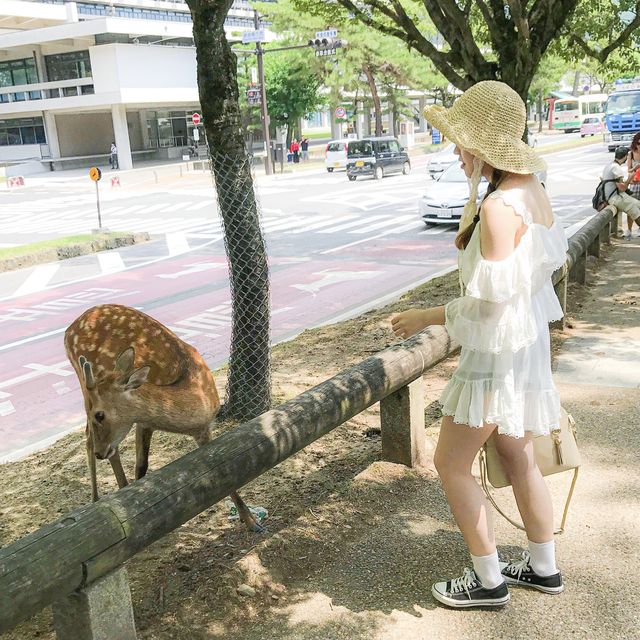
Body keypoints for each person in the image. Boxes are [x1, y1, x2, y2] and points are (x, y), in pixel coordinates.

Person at [391, 81, 569, 609]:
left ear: (486, 144)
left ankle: (488, 581)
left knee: (451, 464)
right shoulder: (532, 190)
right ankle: (543, 568)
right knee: (519, 458)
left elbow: (490, 306)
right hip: (525, 352)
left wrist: (426, 316)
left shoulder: (497, 209)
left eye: (462, 141)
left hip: (497, 355)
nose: (456, 151)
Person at [603, 146, 640, 239]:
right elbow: (622, 188)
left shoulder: (609, 165)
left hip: (613, 195)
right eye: (626, 157)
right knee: (634, 210)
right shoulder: (616, 168)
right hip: (615, 197)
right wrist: (629, 179)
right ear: (624, 157)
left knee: (638, 204)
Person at [627, 133, 640, 236]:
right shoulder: (631, 154)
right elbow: (629, 170)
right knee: (631, 207)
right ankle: (629, 230)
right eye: (638, 143)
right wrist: (635, 168)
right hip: (635, 184)